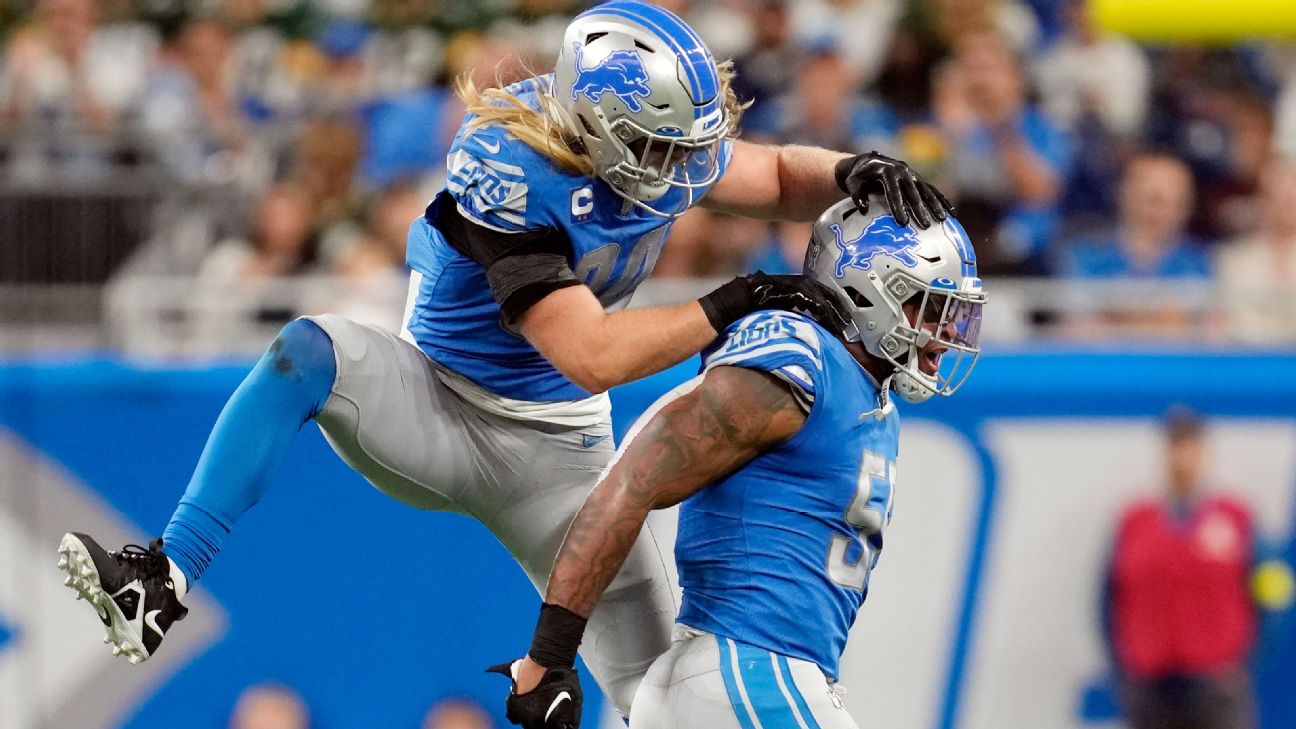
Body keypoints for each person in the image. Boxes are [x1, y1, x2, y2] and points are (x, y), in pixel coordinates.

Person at [54, 1, 952, 718]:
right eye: (654, 149)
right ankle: (163, 574)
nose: (680, 171)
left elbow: (778, 174)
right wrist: (728, 303)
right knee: (307, 348)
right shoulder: (512, 164)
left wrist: (856, 171)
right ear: (595, 128)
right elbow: (590, 352)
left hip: (560, 456)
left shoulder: (656, 146)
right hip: (438, 407)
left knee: (658, 698)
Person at [491, 197, 985, 729]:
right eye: (929, 307)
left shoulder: (859, 389)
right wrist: (551, 656)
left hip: (747, 682)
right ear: (866, 287)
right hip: (745, 674)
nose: (948, 333)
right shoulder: (798, 360)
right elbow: (630, 481)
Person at [1103, 408, 1260, 729]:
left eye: (1190, 446)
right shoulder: (1136, 522)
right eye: (1174, 446)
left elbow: (1266, 597)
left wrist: (1243, 663)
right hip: (1151, 685)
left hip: (1216, 684)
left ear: (1203, 452)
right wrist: (1125, 666)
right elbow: (1108, 600)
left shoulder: (1235, 519)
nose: (1182, 457)